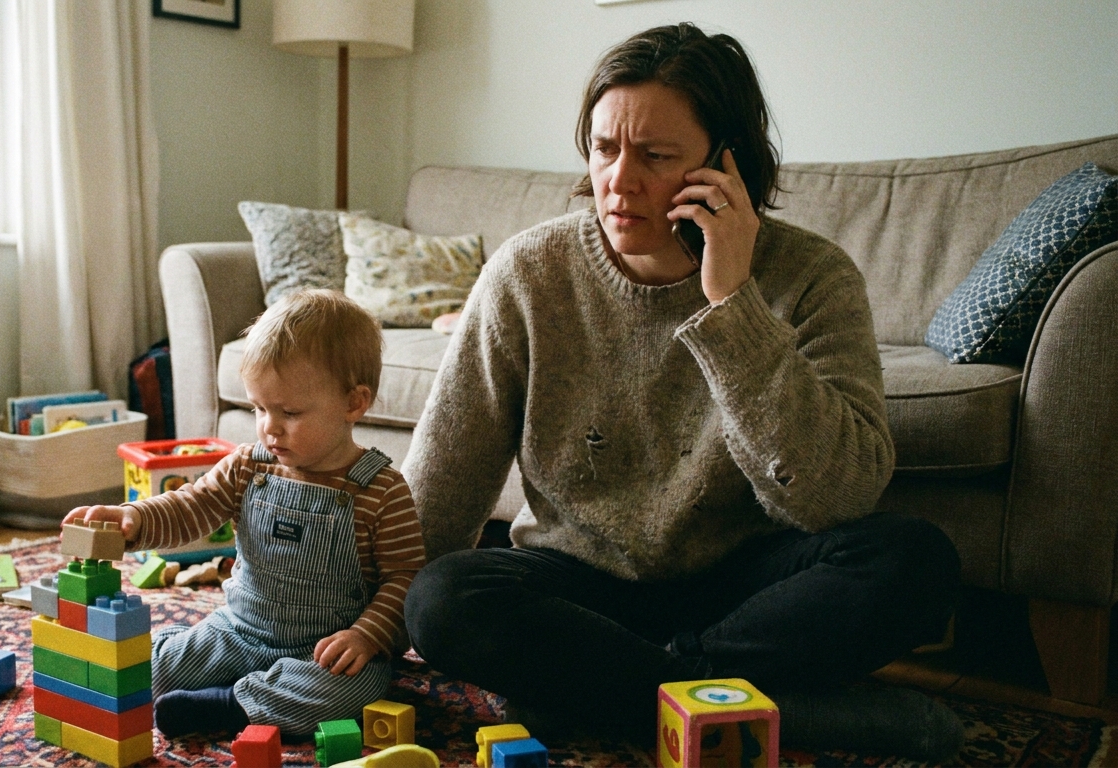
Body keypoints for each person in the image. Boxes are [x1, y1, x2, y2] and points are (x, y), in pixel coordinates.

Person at [401, 23, 964, 761]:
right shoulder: (529, 272)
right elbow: (442, 486)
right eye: (605, 149)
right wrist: (372, 615)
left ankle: (609, 693)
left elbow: (838, 497)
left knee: (913, 561)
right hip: (580, 584)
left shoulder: (815, 276)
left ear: (726, 163)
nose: (619, 181)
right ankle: (766, 710)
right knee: (442, 600)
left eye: (656, 156)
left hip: (745, 584)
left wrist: (732, 305)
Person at [63, 289, 426, 737]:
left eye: (289, 412)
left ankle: (232, 706)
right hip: (238, 629)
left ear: (354, 403)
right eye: (259, 409)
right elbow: (192, 506)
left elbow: (405, 578)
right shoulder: (248, 465)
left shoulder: (381, 489)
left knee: (356, 690)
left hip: (324, 651)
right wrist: (135, 519)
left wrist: (367, 636)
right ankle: (188, 665)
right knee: (150, 667)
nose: (269, 427)